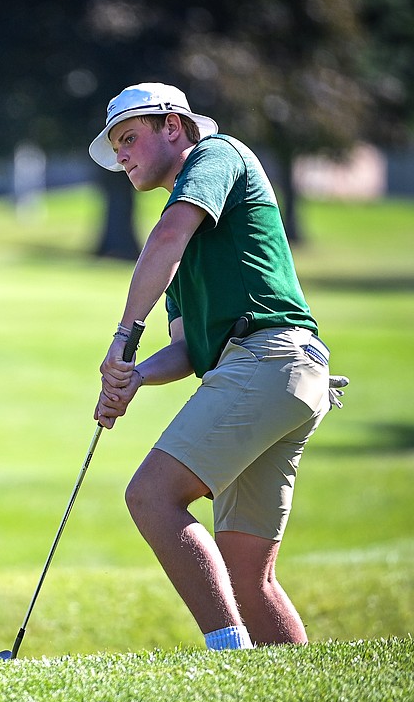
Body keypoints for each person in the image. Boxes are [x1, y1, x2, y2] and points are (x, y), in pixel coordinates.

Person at [87, 83, 340, 650]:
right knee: (250, 575)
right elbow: (190, 351)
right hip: (282, 375)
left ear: (172, 127)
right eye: (116, 147)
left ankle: (227, 658)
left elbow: (168, 234)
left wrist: (123, 338)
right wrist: (136, 377)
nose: (122, 156)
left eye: (130, 139)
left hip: (267, 360)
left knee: (151, 496)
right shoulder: (191, 253)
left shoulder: (216, 155)